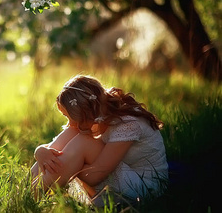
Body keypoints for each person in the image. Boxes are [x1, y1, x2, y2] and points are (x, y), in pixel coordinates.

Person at [31, 75, 168, 206]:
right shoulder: (97, 113)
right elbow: (55, 149)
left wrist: (71, 164)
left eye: (70, 117)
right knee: (73, 132)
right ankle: (27, 186)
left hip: (144, 185)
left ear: (86, 112)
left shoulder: (128, 124)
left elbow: (95, 176)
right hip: (119, 171)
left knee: (82, 141)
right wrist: (40, 151)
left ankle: (32, 195)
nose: (68, 123)